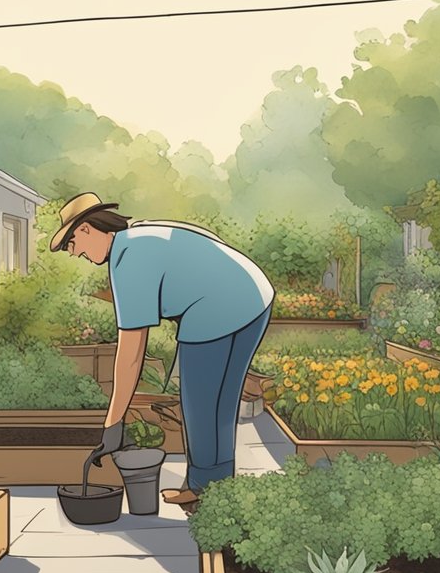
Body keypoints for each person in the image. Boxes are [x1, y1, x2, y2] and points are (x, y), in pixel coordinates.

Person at [49, 192, 274, 505]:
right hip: (254, 296)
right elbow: (209, 242)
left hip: (215, 309)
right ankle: (217, 488)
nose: (74, 253)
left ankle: (203, 490)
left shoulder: (127, 259)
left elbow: (131, 351)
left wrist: (113, 424)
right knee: (221, 402)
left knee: (199, 404)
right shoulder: (141, 234)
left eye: (72, 244)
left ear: (87, 228)